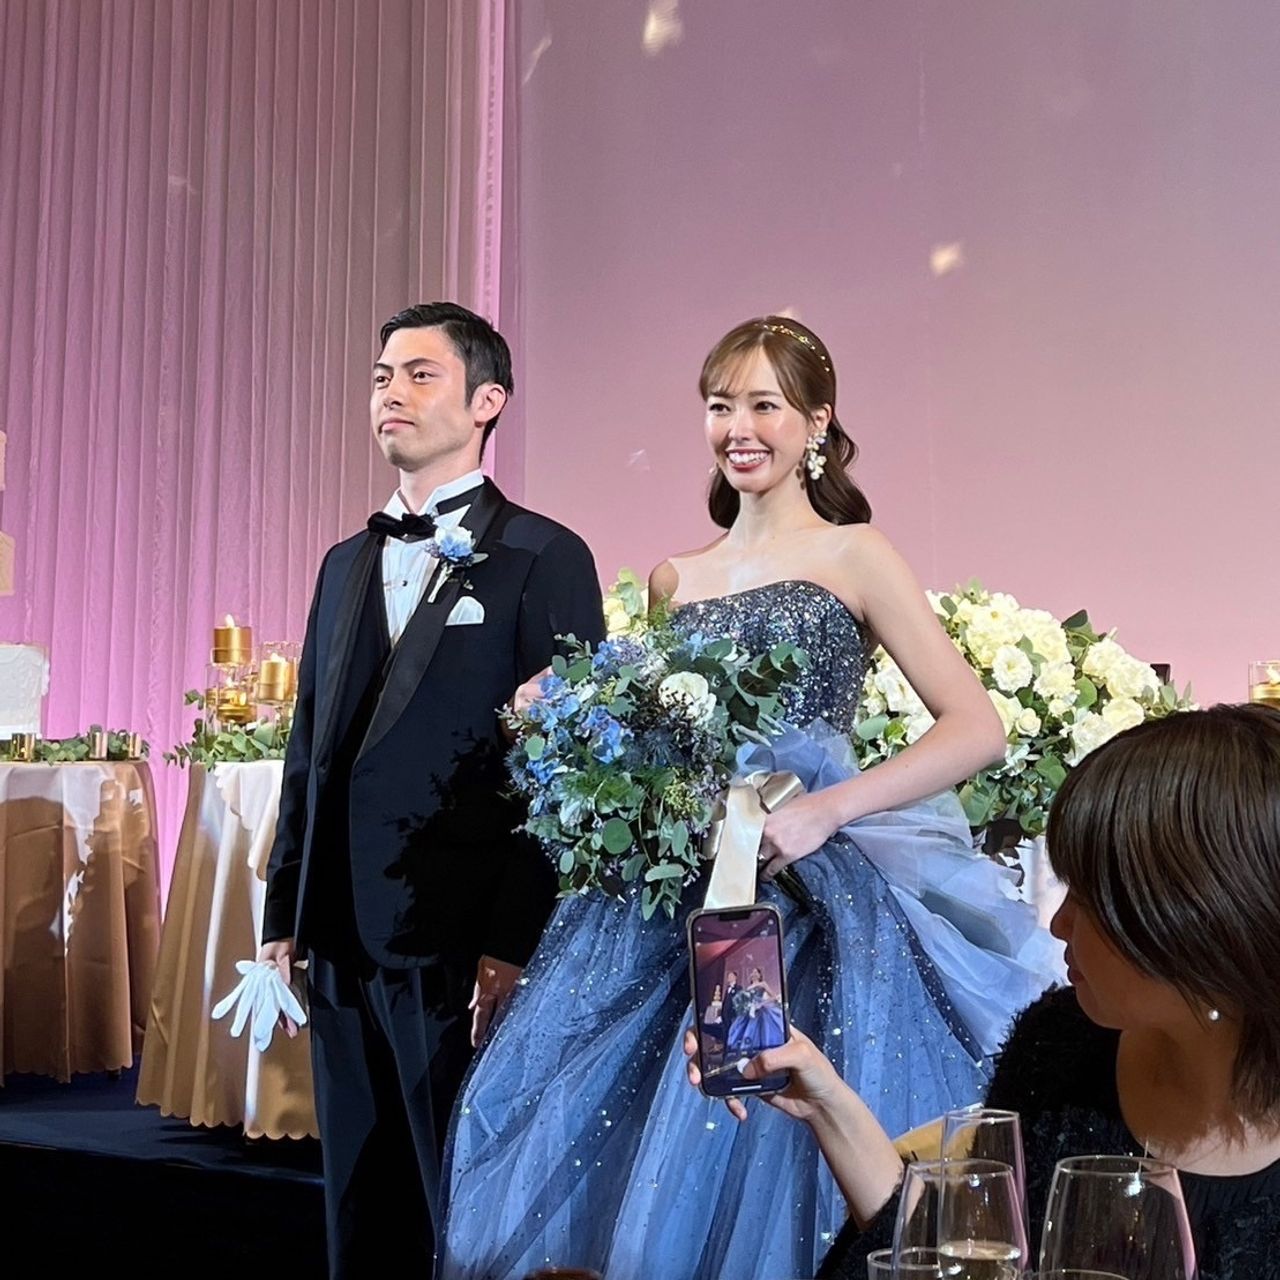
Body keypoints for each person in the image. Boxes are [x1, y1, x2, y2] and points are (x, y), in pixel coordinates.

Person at [438, 315, 1059, 1279]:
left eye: (765, 405)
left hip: (817, 892)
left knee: (791, 1125)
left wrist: (828, 809)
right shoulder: (675, 578)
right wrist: (563, 716)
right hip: (675, 894)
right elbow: (664, 750)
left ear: (817, 423)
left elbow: (975, 727)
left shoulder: (856, 554)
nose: (739, 428)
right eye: (721, 406)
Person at [688, 705, 1280, 1280]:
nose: (1059, 925)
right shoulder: (1063, 1044)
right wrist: (824, 1102)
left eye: (1090, 902)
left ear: (1202, 928)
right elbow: (954, 1252)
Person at [257, 302, 604, 1277]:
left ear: (487, 401)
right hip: (339, 928)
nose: (391, 394)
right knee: (358, 1207)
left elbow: (565, 771)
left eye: (419, 375)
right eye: (381, 377)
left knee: (460, 1197)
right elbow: (311, 745)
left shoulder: (543, 554)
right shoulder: (343, 561)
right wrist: (286, 908)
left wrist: (515, 938)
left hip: (459, 935)